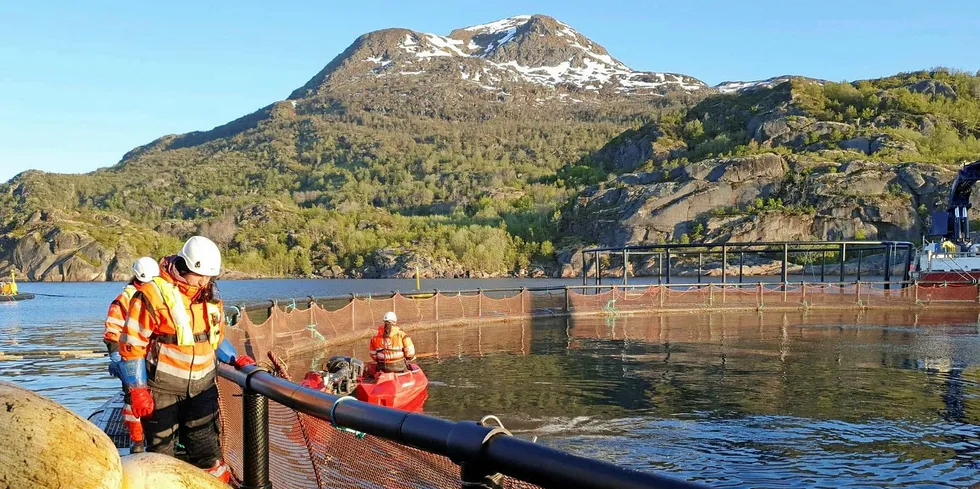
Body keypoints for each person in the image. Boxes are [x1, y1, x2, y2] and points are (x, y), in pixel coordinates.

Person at [118, 236, 254, 483]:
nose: (204, 282)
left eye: (209, 277)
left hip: (203, 388)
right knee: (161, 454)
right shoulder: (152, 294)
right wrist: (138, 389)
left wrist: (234, 358)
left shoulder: (210, 295)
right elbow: (132, 344)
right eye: (199, 275)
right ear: (184, 267)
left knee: (207, 452)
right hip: (163, 388)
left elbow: (214, 337)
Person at [105, 256, 160, 453]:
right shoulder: (126, 300)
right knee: (133, 400)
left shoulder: (128, 298)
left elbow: (111, 334)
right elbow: (113, 336)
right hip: (134, 360)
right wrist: (119, 362)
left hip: (151, 358)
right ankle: (137, 441)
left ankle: (142, 440)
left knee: (143, 399)